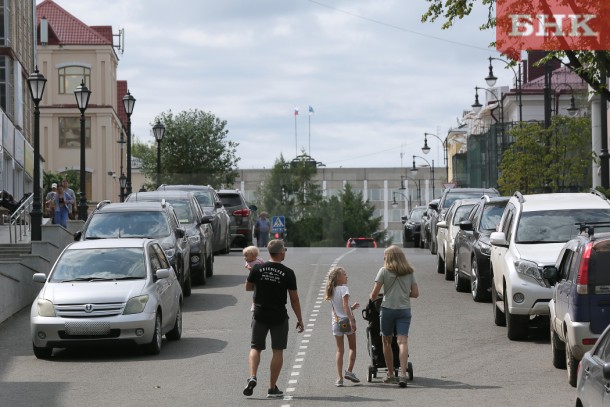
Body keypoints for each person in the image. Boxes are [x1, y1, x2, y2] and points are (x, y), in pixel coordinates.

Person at [244, 239, 304, 398]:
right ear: (281, 252)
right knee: (277, 350)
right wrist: (300, 319)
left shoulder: (257, 268)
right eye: (284, 249)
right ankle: (272, 388)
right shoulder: (288, 273)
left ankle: (252, 376)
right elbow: (294, 299)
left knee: (255, 347)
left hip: (260, 313)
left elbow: (248, 287)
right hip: (279, 315)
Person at [369, 245, 419, 388]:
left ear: (388, 258)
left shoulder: (383, 271)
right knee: (402, 341)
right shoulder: (409, 272)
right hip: (404, 310)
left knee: (386, 341)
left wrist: (377, 298)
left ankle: (391, 374)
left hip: (387, 310)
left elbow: (373, 295)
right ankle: (402, 374)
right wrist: (403, 294)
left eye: (385, 256)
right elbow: (415, 293)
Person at [324, 266, 360, 387]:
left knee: (340, 350)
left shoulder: (331, 290)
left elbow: (337, 307)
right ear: (338, 278)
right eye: (344, 274)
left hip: (336, 322)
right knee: (352, 348)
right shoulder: (344, 289)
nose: (346, 276)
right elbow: (344, 306)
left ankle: (339, 378)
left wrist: (352, 307)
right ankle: (349, 371)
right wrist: (352, 320)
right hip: (346, 322)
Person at [243, 245, 265, 312]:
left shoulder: (259, 260)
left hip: (261, 278)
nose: (245, 258)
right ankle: (254, 303)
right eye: (244, 256)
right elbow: (247, 266)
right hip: (253, 278)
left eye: (246, 256)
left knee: (262, 291)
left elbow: (265, 265)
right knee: (255, 292)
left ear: (253, 255)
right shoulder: (248, 262)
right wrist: (250, 268)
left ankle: (263, 302)